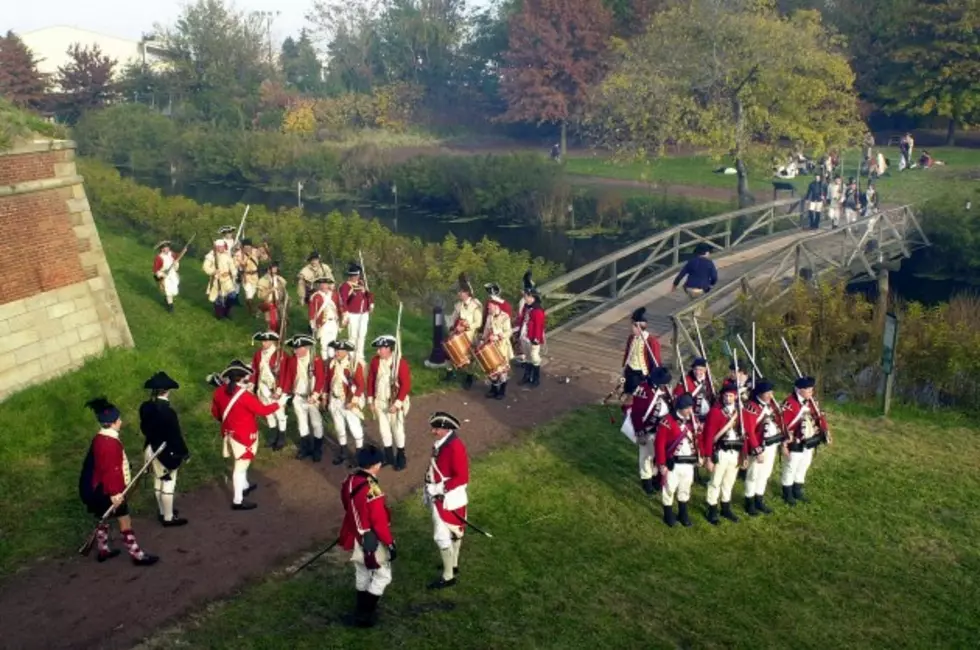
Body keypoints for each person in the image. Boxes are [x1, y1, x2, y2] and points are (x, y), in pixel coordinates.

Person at [79, 397, 160, 566]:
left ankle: (103, 549)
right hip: (109, 490)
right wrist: (115, 494)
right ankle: (136, 554)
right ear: (114, 422)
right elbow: (111, 471)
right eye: (119, 419)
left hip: (97, 489)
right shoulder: (110, 444)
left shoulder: (100, 438)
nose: (121, 421)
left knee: (103, 518)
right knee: (124, 519)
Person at [211, 359, 281, 510]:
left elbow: (216, 413)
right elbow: (263, 411)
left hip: (229, 433)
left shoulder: (218, 392)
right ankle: (238, 500)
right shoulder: (245, 396)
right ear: (243, 378)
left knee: (240, 464)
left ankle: (244, 485)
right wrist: (278, 404)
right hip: (244, 436)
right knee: (240, 467)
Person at [339, 445, 396, 628]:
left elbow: (346, 504)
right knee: (383, 576)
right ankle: (364, 614)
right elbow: (379, 522)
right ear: (376, 465)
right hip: (370, 539)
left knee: (362, 571)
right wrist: (390, 542)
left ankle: (360, 608)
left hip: (355, 533)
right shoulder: (372, 488)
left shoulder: (349, 480)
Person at [424, 411, 470, 590]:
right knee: (454, 533)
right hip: (444, 495)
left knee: (442, 536)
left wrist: (437, 489)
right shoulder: (445, 443)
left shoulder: (454, 447)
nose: (433, 431)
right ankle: (453, 564)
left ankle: (448, 575)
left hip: (446, 497)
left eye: (436, 428)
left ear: (446, 429)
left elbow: (462, 477)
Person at [139, 371, 190, 527]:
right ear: (167, 392)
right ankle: (168, 517)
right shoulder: (168, 412)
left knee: (157, 480)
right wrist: (184, 453)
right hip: (164, 451)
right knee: (168, 482)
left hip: (149, 448)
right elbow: (175, 436)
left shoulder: (145, 407)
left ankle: (162, 512)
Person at [780, 376, 831, 506]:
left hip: (809, 440)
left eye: (811, 390)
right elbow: (783, 425)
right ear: (799, 390)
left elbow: (819, 417)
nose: (811, 392)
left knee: (804, 465)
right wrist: (784, 443)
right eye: (808, 390)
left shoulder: (811, 402)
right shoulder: (789, 403)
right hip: (794, 440)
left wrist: (825, 431)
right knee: (791, 467)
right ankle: (787, 493)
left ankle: (797, 490)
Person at [701, 384, 746, 525]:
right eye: (725, 395)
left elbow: (744, 435)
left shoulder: (740, 412)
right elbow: (708, 436)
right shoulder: (715, 412)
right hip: (721, 451)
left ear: (736, 397)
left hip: (735, 452)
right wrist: (708, 457)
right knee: (715, 482)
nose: (728, 398)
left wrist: (744, 456)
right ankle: (712, 509)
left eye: (731, 396)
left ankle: (725, 508)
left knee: (729, 482)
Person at [366, 334, 412, 470]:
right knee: (384, 430)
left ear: (388, 348)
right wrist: (370, 400)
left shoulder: (399, 363)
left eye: (381, 348)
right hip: (380, 401)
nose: (378, 351)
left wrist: (397, 404)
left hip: (395, 402)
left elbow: (406, 385)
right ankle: (389, 456)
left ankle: (401, 456)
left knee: (397, 430)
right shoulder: (375, 362)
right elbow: (371, 380)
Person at [655, 393, 700, 527]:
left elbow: (698, 439)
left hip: (688, 463)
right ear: (680, 407)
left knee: (685, 488)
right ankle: (668, 514)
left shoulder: (693, 421)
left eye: (691, 408)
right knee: (669, 489)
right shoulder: (667, 421)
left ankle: (683, 514)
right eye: (687, 408)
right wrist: (661, 464)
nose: (690, 411)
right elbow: (659, 444)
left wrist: (700, 455)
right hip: (673, 463)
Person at [280, 335, 326, 462]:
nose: (295, 351)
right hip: (298, 396)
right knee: (302, 424)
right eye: (294, 349)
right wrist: (284, 394)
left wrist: (316, 394)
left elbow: (321, 379)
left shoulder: (315, 360)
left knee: (316, 423)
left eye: (298, 348)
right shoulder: (292, 360)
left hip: (312, 398)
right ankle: (305, 447)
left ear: (306, 348)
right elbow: (288, 378)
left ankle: (317, 449)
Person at [742, 379, 783, 516]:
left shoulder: (771, 406)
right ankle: (749, 502)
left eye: (771, 392)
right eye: (768, 393)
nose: (771, 395)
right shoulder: (751, 407)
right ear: (760, 393)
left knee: (765, 474)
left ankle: (759, 499)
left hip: (771, 445)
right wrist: (757, 449)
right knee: (753, 475)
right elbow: (749, 431)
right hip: (758, 447)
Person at [629, 367, 672, 495]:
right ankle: (646, 482)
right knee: (645, 456)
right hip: (647, 428)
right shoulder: (643, 390)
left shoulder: (662, 389)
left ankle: (655, 478)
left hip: (660, 427)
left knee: (656, 455)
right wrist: (640, 432)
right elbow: (636, 413)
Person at [326, 339, 366, 466]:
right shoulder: (332, 363)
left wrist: (353, 401)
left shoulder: (354, 365)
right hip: (335, 399)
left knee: (354, 428)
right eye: (336, 350)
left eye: (340, 350)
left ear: (346, 351)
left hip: (348, 400)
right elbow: (328, 382)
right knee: (339, 427)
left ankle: (360, 455)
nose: (337, 352)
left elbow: (361, 386)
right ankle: (343, 452)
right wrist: (325, 396)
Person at [250, 331, 289, 451]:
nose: (264, 343)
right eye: (263, 340)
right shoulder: (258, 354)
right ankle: (273, 435)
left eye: (266, 341)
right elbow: (255, 370)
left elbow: (285, 374)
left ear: (272, 341)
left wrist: (279, 390)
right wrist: (253, 384)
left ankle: (281, 437)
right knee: (267, 412)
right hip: (263, 387)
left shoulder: (280, 355)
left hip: (275, 388)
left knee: (279, 413)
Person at [446, 274, 483, 389]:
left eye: (460, 292)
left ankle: (469, 377)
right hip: (458, 334)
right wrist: (451, 327)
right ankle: (450, 374)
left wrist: (467, 327)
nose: (458, 294)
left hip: (469, 335)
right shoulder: (458, 305)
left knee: (470, 358)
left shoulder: (475, 305)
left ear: (466, 293)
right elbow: (453, 317)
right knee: (449, 352)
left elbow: (478, 322)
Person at [516, 271, 546, 387]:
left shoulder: (538, 310)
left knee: (534, 357)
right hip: (525, 335)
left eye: (527, 297)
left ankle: (536, 379)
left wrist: (536, 339)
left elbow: (539, 326)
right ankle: (527, 377)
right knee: (528, 356)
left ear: (533, 297)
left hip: (533, 337)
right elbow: (523, 320)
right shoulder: (527, 307)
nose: (525, 298)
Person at [622, 307, 662, 394]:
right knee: (628, 391)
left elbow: (656, 360)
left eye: (633, 326)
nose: (631, 328)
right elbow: (628, 353)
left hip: (641, 372)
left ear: (638, 327)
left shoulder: (651, 341)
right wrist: (624, 366)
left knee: (638, 394)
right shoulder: (631, 337)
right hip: (630, 369)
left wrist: (655, 376)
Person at [340, 263, 374, 364]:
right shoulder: (345, 286)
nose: (355, 278)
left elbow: (369, 295)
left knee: (362, 335)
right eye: (353, 276)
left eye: (357, 275)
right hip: (353, 314)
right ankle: (351, 355)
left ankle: (360, 355)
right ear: (350, 276)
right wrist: (345, 313)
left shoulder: (362, 283)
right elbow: (343, 301)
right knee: (353, 335)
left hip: (363, 313)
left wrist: (371, 304)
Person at [480, 299, 514, 399]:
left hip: (502, 347)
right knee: (492, 369)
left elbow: (508, 332)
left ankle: (502, 391)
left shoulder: (505, 317)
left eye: (489, 307)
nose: (488, 308)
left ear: (496, 306)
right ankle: (493, 389)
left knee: (502, 371)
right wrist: (482, 340)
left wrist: (498, 336)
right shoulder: (489, 317)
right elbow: (486, 329)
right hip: (491, 347)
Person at [309, 275, 345, 361]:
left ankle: (332, 360)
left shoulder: (334, 295)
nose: (324, 286)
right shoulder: (315, 296)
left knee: (333, 342)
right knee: (324, 343)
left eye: (325, 283)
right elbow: (312, 311)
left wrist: (343, 316)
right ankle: (325, 360)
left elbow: (340, 306)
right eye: (322, 284)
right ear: (319, 285)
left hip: (334, 322)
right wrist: (312, 324)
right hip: (323, 322)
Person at [203, 239, 237, 319]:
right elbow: (205, 267)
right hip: (216, 280)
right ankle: (219, 313)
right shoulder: (211, 255)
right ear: (217, 247)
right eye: (220, 247)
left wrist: (233, 273)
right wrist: (214, 271)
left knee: (232, 296)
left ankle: (226, 311)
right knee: (218, 298)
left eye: (222, 247)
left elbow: (232, 265)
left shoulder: (227, 255)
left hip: (227, 279)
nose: (222, 248)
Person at [237, 239, 267, 317]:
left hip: (255, 276)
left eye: (249, 247)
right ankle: (251, 311)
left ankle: (258, 308)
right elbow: (242, 264)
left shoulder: (255, 251)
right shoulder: (239, 254)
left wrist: (264, 250)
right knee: (249, 294)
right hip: (246, 276)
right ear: (243, 247)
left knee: (258, 293)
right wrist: (249, 256)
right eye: (246, 247)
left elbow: (265, 258)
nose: (248, 249)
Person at [257, 260, 288, 333]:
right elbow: (260, 296)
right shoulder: (263, 280)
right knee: (271, 323)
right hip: (269, 304)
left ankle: (278, 339)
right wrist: (270, 290)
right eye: (273, 268)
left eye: (275, 268)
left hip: (279, 304)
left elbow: (284, 288)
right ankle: (269, 339)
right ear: (268, 269)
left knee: (282, 323)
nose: (275, 269)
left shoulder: (278, 279)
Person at [152, 240, 180, 313]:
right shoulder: (159, 258)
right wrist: (162, 274)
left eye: (167, 247)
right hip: (165, 276)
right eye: (164, 248)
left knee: (173, 290)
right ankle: (171, 307)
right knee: (168, 291)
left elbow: (178, 258)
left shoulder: (172, 254)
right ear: (161, 249)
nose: (166, 249)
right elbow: (156, 270)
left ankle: (167, 300)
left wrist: (176, 263)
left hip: (173, 274)